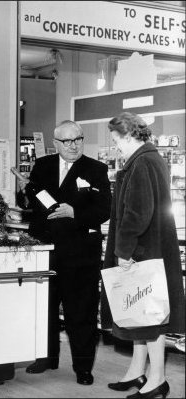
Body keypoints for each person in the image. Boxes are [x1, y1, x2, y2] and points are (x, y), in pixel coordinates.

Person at [17, 120, 111, 385]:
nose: (73, 145)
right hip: (46, 249)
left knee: (80, 312)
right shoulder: (43, 165)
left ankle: (83, 367)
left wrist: (76, 213)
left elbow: (105, 210)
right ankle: (46, 357)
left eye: (77, 139)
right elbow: (33, 203)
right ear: (55, 144)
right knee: (44, 306)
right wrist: (26, 193)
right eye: (66, 141)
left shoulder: (96, 169)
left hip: (81, 253)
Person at [102, 112, 185, 399]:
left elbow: (137, 213)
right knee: (140, 315)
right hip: (153, 248)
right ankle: (138, 371)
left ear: (127, 136)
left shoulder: (141, 162)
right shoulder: (151, 158)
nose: (116, 147)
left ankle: (158, 379)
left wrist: (123, 251)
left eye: (116, 141)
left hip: (142, 251)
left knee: (149, 319)